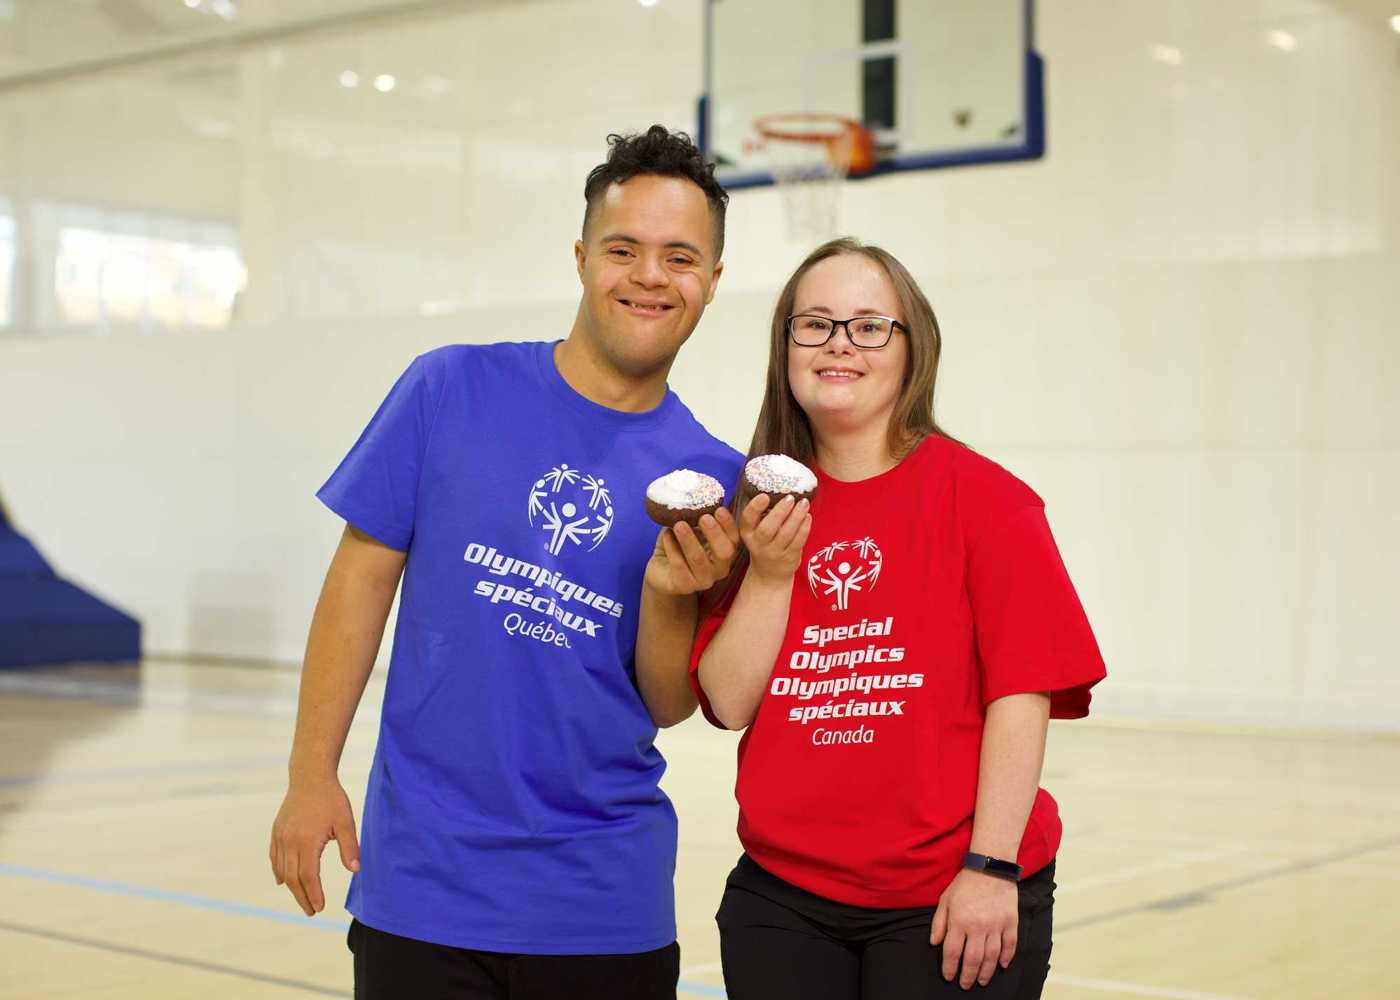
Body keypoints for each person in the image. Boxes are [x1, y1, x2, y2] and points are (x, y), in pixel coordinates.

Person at [268, 125, 744, 1000]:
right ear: (580, 257)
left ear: (713, 280)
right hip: (425, 887)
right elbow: (359, 581)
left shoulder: (713, 478)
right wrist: (310, 773)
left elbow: (670, 703)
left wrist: (668, 594)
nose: (649, 276)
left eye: (680, 257)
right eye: (623, 249)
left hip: (602, 898)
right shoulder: (447, 388)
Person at [688, 238, 1107, 999]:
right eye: (813, 324)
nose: (839, 342)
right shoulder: (755, 505)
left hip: (950, 890)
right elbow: (727, 699)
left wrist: (990, 866)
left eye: (869, 325)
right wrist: (773, 574)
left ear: (914, 347)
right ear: (785, 347)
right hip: (784, 893)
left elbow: (1022, 695)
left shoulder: (988, 501)